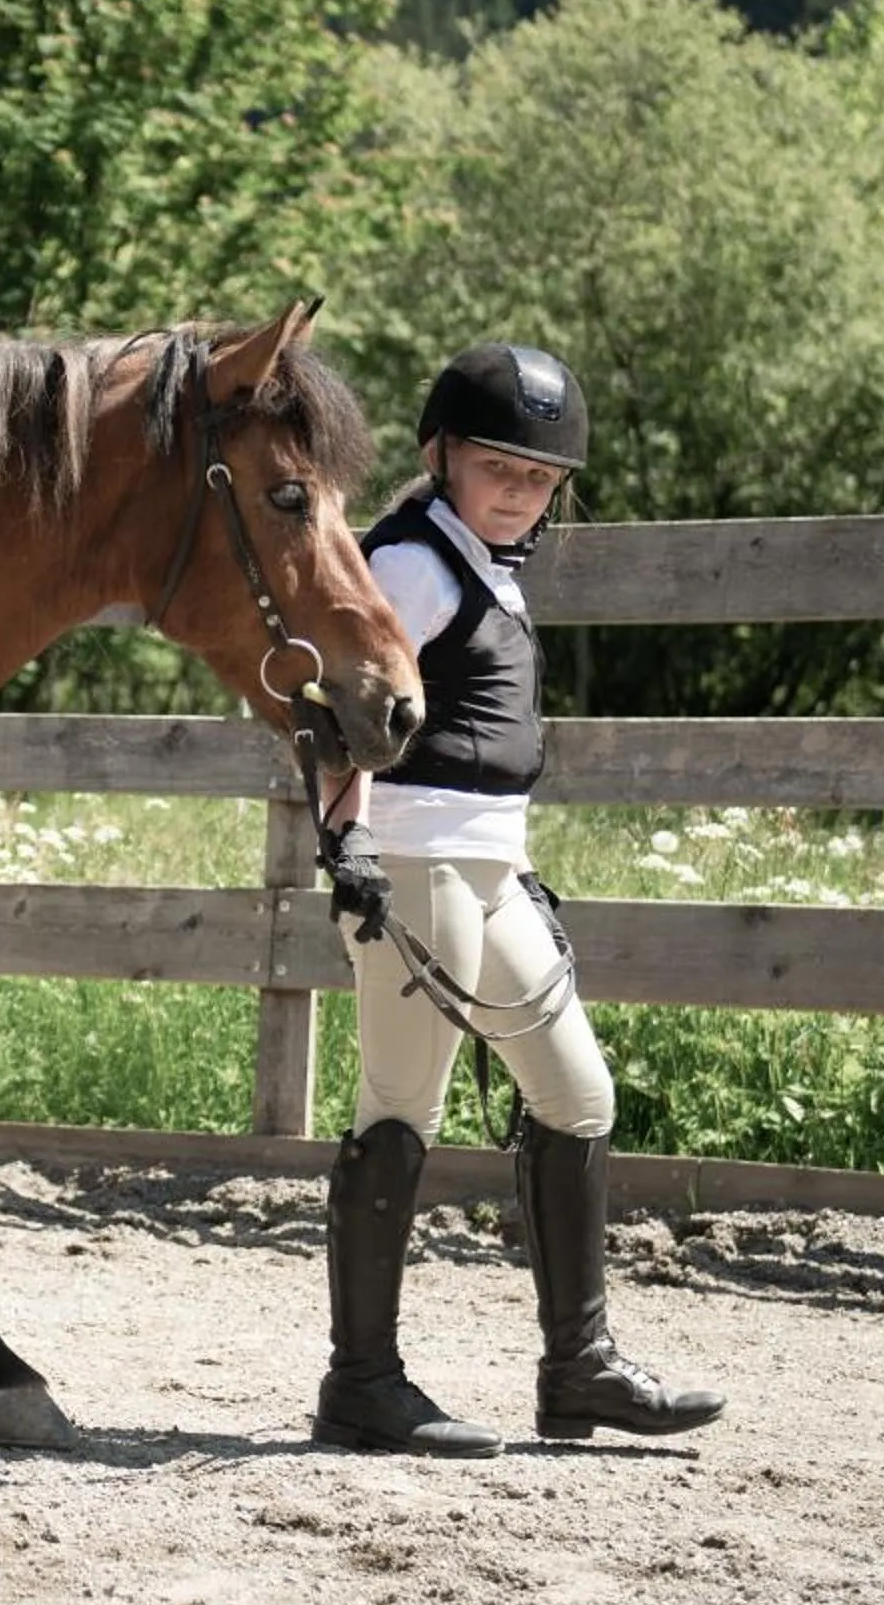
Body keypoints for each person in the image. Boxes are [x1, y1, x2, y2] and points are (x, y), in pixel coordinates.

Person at [306, 344, 721, 1459]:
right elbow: (341, 710)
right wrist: (343, 842)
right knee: (401, 1108)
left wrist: (509, 855)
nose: (522, 493)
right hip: (415, 862)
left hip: (489, 869)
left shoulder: (487, 564)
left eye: (541, 480)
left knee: (576, 1092)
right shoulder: (415, 564)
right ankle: (362, 1382)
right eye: (502, 470)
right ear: (441, 455)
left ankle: (577, 1369)